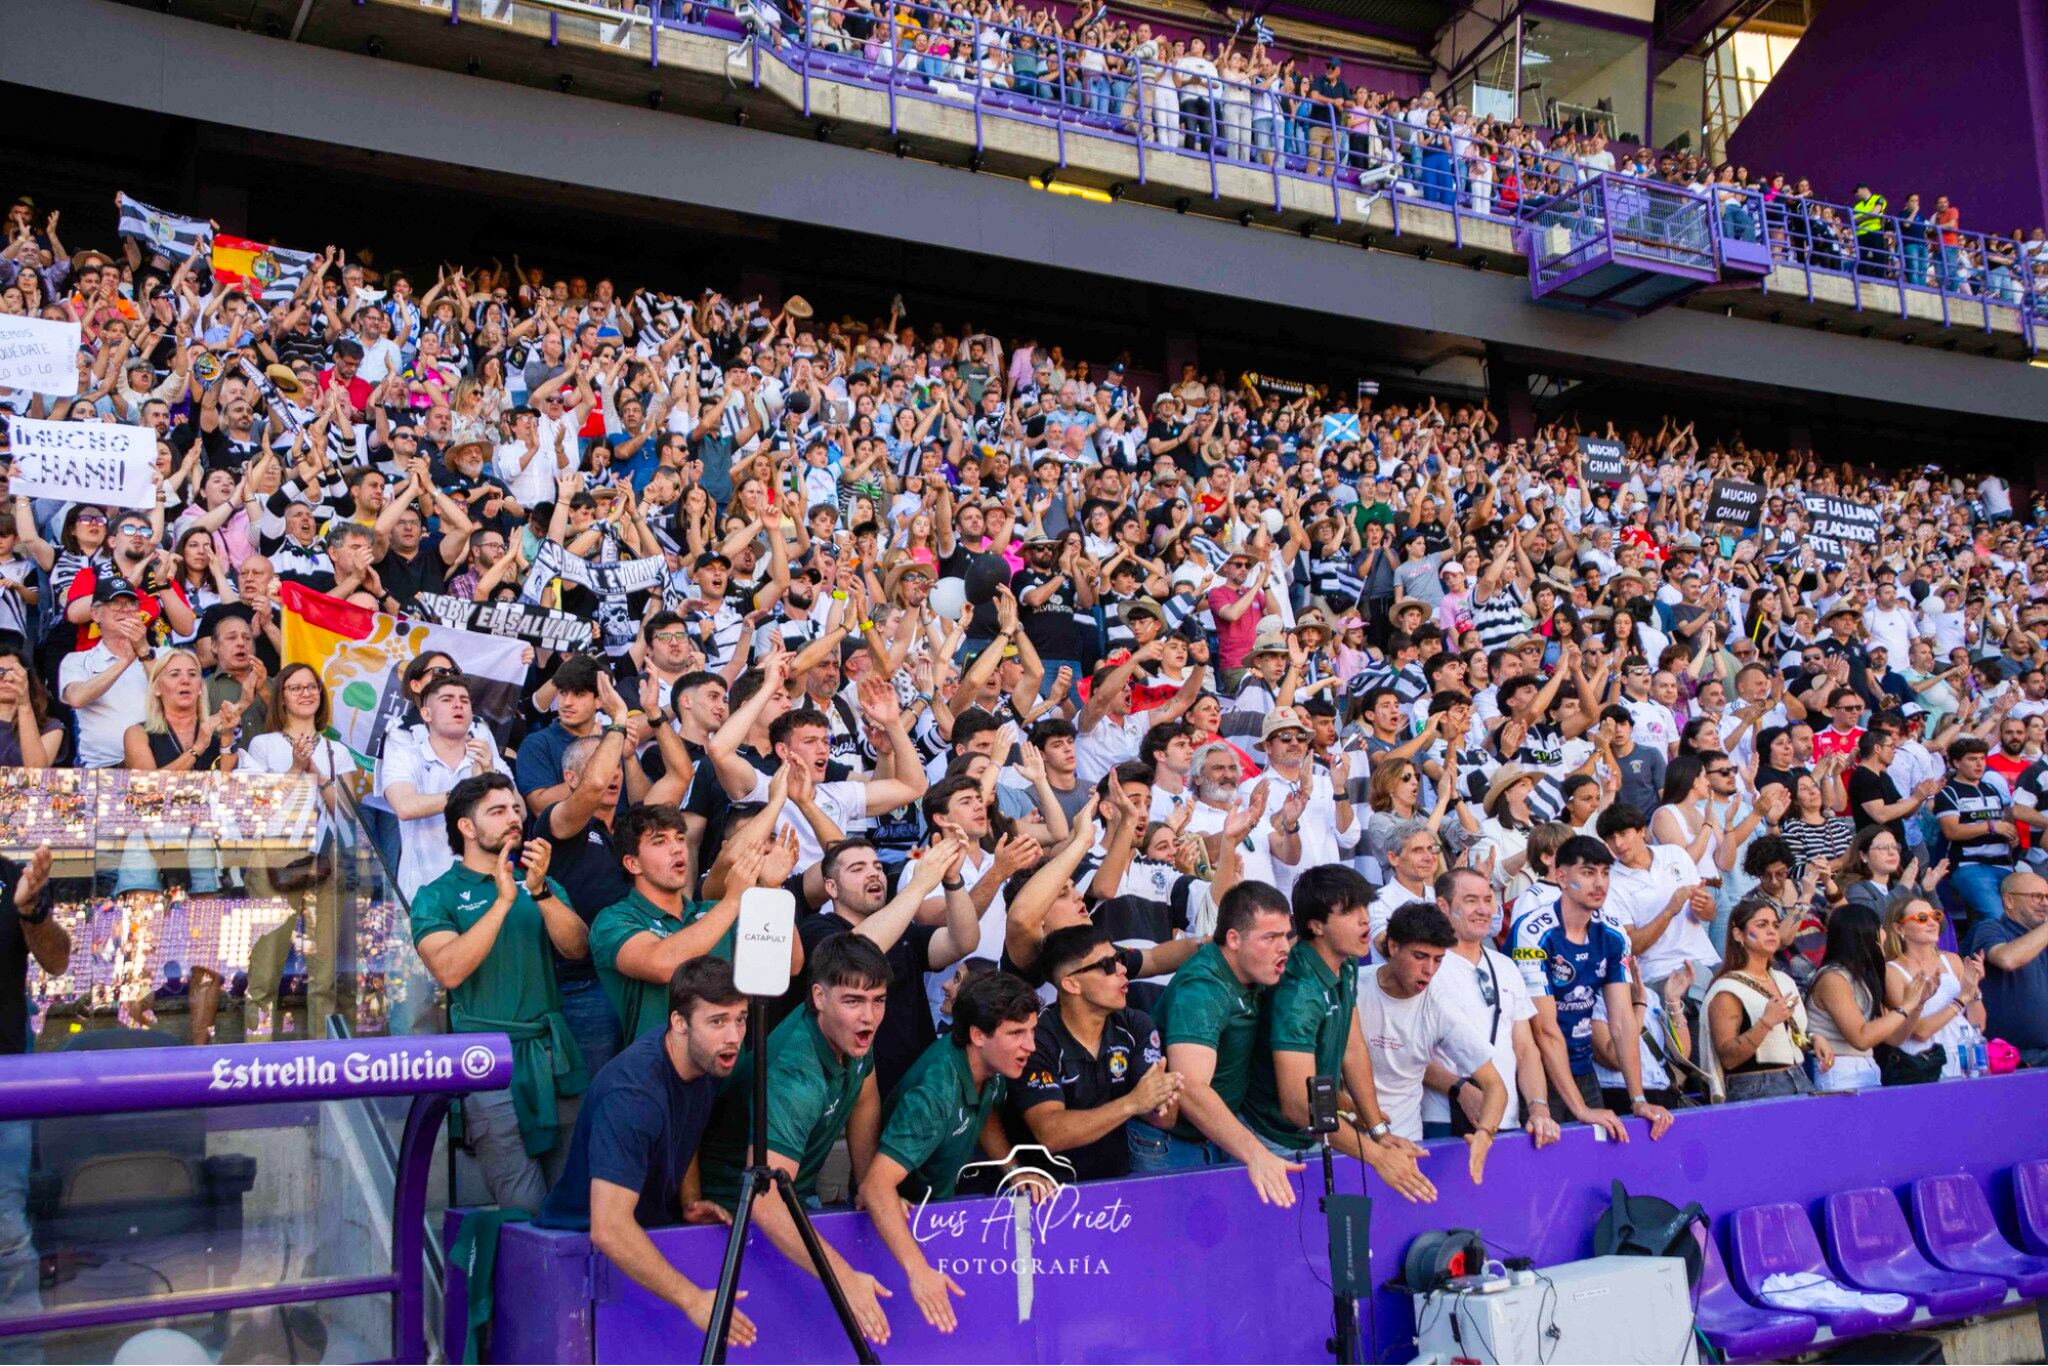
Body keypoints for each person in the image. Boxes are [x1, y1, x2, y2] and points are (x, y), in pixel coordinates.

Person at [534, 958, 755, 1347]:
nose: (734, 1035)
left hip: (647, 1231)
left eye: (740, 1019)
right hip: (581, 1248)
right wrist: (694, 1301)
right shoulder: (633, 1095)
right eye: (718, 1021)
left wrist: (688, 1201)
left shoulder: (703, 1061)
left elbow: (684, 1126)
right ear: (679, 1023)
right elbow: (609, 1228)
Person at [693, 935, 897, 1346]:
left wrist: (871, 1185)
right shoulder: (794, 1075)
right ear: (818, 997)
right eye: (854, 1000)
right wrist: (845, 1279)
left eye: (878, 1000)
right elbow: (765, 1202)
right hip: (732, 1218)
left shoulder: (853, 1038)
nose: (869, 1017)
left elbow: (866, 1093)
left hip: (798, 1201)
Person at [409, 773, 588, 1211]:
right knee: (522, 1208)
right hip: (487, 1066)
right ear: (466, 828)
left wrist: (541, 892)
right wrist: (503, 902)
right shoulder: (436, 895)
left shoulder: (540, 881)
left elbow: (578, 947)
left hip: (554, 1059)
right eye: (497, 811)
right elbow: (448, 969)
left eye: (515, 809)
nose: (514, 818)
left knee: (572, 1205)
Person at [860, 971, 1043, 1334]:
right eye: (1017, 1033)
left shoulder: (988, 1064)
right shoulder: (935, 1093)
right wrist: (918, 1271)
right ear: (978, 1035)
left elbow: (984, 1104)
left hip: (940, 1214)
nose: (1031, 1046)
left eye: (1032, 1031)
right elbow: (874, 1187)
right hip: (900, 1234)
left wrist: (1012, 1167)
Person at [1242, 865, 1437, 1200]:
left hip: (1314, 1132)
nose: (1365, 919)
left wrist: (1377, 1129)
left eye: (1364, 906)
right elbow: (1297, 1106)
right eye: (1349, 911)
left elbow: (1353, 1049)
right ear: (1316, 925)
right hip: (1272, 1138)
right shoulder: (1298, 993)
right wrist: (1377, 1157)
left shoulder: (1346, 963)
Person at [1510, 835, 1674, 1141]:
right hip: (1534, 1074)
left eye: (1605, 873)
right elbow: (1544, 1029)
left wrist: (1637, 1099)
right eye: (1588, 872)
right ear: (1561, 877)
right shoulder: (1531, 931)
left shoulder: (1614, 934)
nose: (1599, 883)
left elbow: (1623, 1022)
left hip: (1583, 1068)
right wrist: (1580, 1108)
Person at [1148, 881, 1303, 1203]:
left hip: (1214, 1137)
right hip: (1169, 1145)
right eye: (1270, 937)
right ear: (1233, 939)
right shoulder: (1204, 989)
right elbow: (1189, 1086)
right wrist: (1255, 1153)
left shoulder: (1255, 969)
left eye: (1285, 935)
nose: (1284, 947)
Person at [1014, 924, 1182, 1184]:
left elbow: (1165, 1119)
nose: (1122, 969)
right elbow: (1050, 1133)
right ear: (1071, 984)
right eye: (1107, 965)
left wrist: (1160, 1098)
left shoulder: (1135, 1024)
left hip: (1113, 1187)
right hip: (1042, 1194)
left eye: (1120, 959)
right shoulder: (1035, 1039)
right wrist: (1133, 1103)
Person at [1355, 903, 1507, 1182]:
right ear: (1392, 946)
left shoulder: (1439, 1006)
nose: (1429, 970)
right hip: (1346, 1143)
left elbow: (1495, 1085)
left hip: (1405, 1147)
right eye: (1420, 956)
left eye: (1438, 959)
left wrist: (1485, 1135)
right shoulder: (1352, 986)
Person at [1424, 867, 1557, 1147]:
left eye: (1488, 899)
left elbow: (1525, 1049)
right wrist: (1460, 1090)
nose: (1483, 909)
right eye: (1471, 900)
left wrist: (1538, 1107)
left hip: (1505, 1121)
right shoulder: (1426, 967)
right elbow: (1409, 1053)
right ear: (1443, 906)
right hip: (1444, 1120)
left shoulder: (1505, 966)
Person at [1808, 903, 1934, 1092]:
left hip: (1867, 1069)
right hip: (1839, 1072)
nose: (1884, 936)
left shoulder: (1861, 977)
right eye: (1880, 929)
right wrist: (1906, 1005)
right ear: (1867, 934)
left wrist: (1917, 1004)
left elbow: (1894, 1037)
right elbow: (1861, 1038)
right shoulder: (1833, 978)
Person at [1883, 893, 1985, 1081]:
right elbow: (1920, 1032)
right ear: (1899, 928)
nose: (1932, 922)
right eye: (1922, 918)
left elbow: (1978, 1025)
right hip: (1925, 1063)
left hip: (1964, 1058)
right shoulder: (1892, 971)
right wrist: (1961, 999)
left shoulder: (1952, 960)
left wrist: (1974, 991)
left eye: (1935, 916)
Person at [1965, 870, 2048, 1063]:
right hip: (2012, 1058)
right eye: (2037, 896)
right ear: (2009, 901)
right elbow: (2007, 959)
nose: (2045, 903)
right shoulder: (1991, 928)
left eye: (2047, 897)